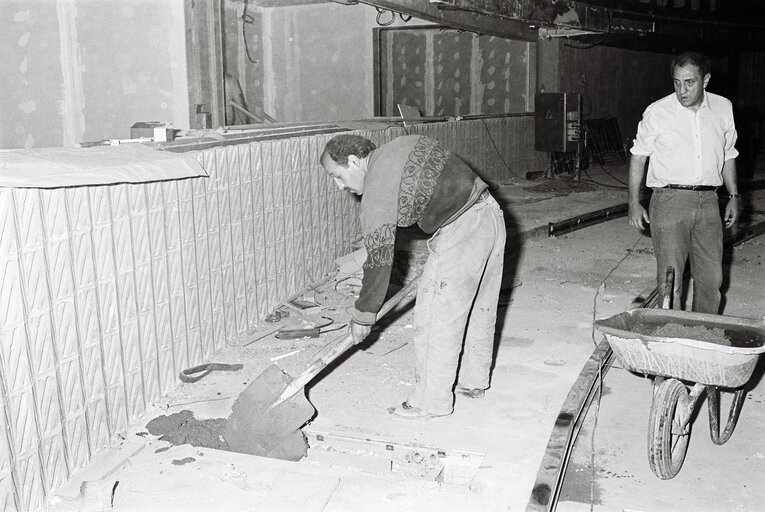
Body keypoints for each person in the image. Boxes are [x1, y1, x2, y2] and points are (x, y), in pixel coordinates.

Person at [320, 134, 506, 419]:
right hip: (490, 214)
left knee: (435, 317)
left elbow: (379, 261)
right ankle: (473, 381)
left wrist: (363, 315)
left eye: (337, 175)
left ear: (355, 162)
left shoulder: (377, 190)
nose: (338, 185)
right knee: (481, 306)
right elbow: (426, 192)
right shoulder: (400, 146)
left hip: (463, 229)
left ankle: (430, 402)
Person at [628, 51, 740, 314]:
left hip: (709, 202)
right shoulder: (657, 112)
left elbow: (729, 153)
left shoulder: (723, 108)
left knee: (712, 279)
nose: (682, 89)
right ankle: (669, 335)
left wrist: (734, 195)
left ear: (706, 80)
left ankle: (702, 334)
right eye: (677, 82)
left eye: (689, 82)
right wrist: (634, 201)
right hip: (669, 202)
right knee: (671, 280)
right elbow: (638, 157)